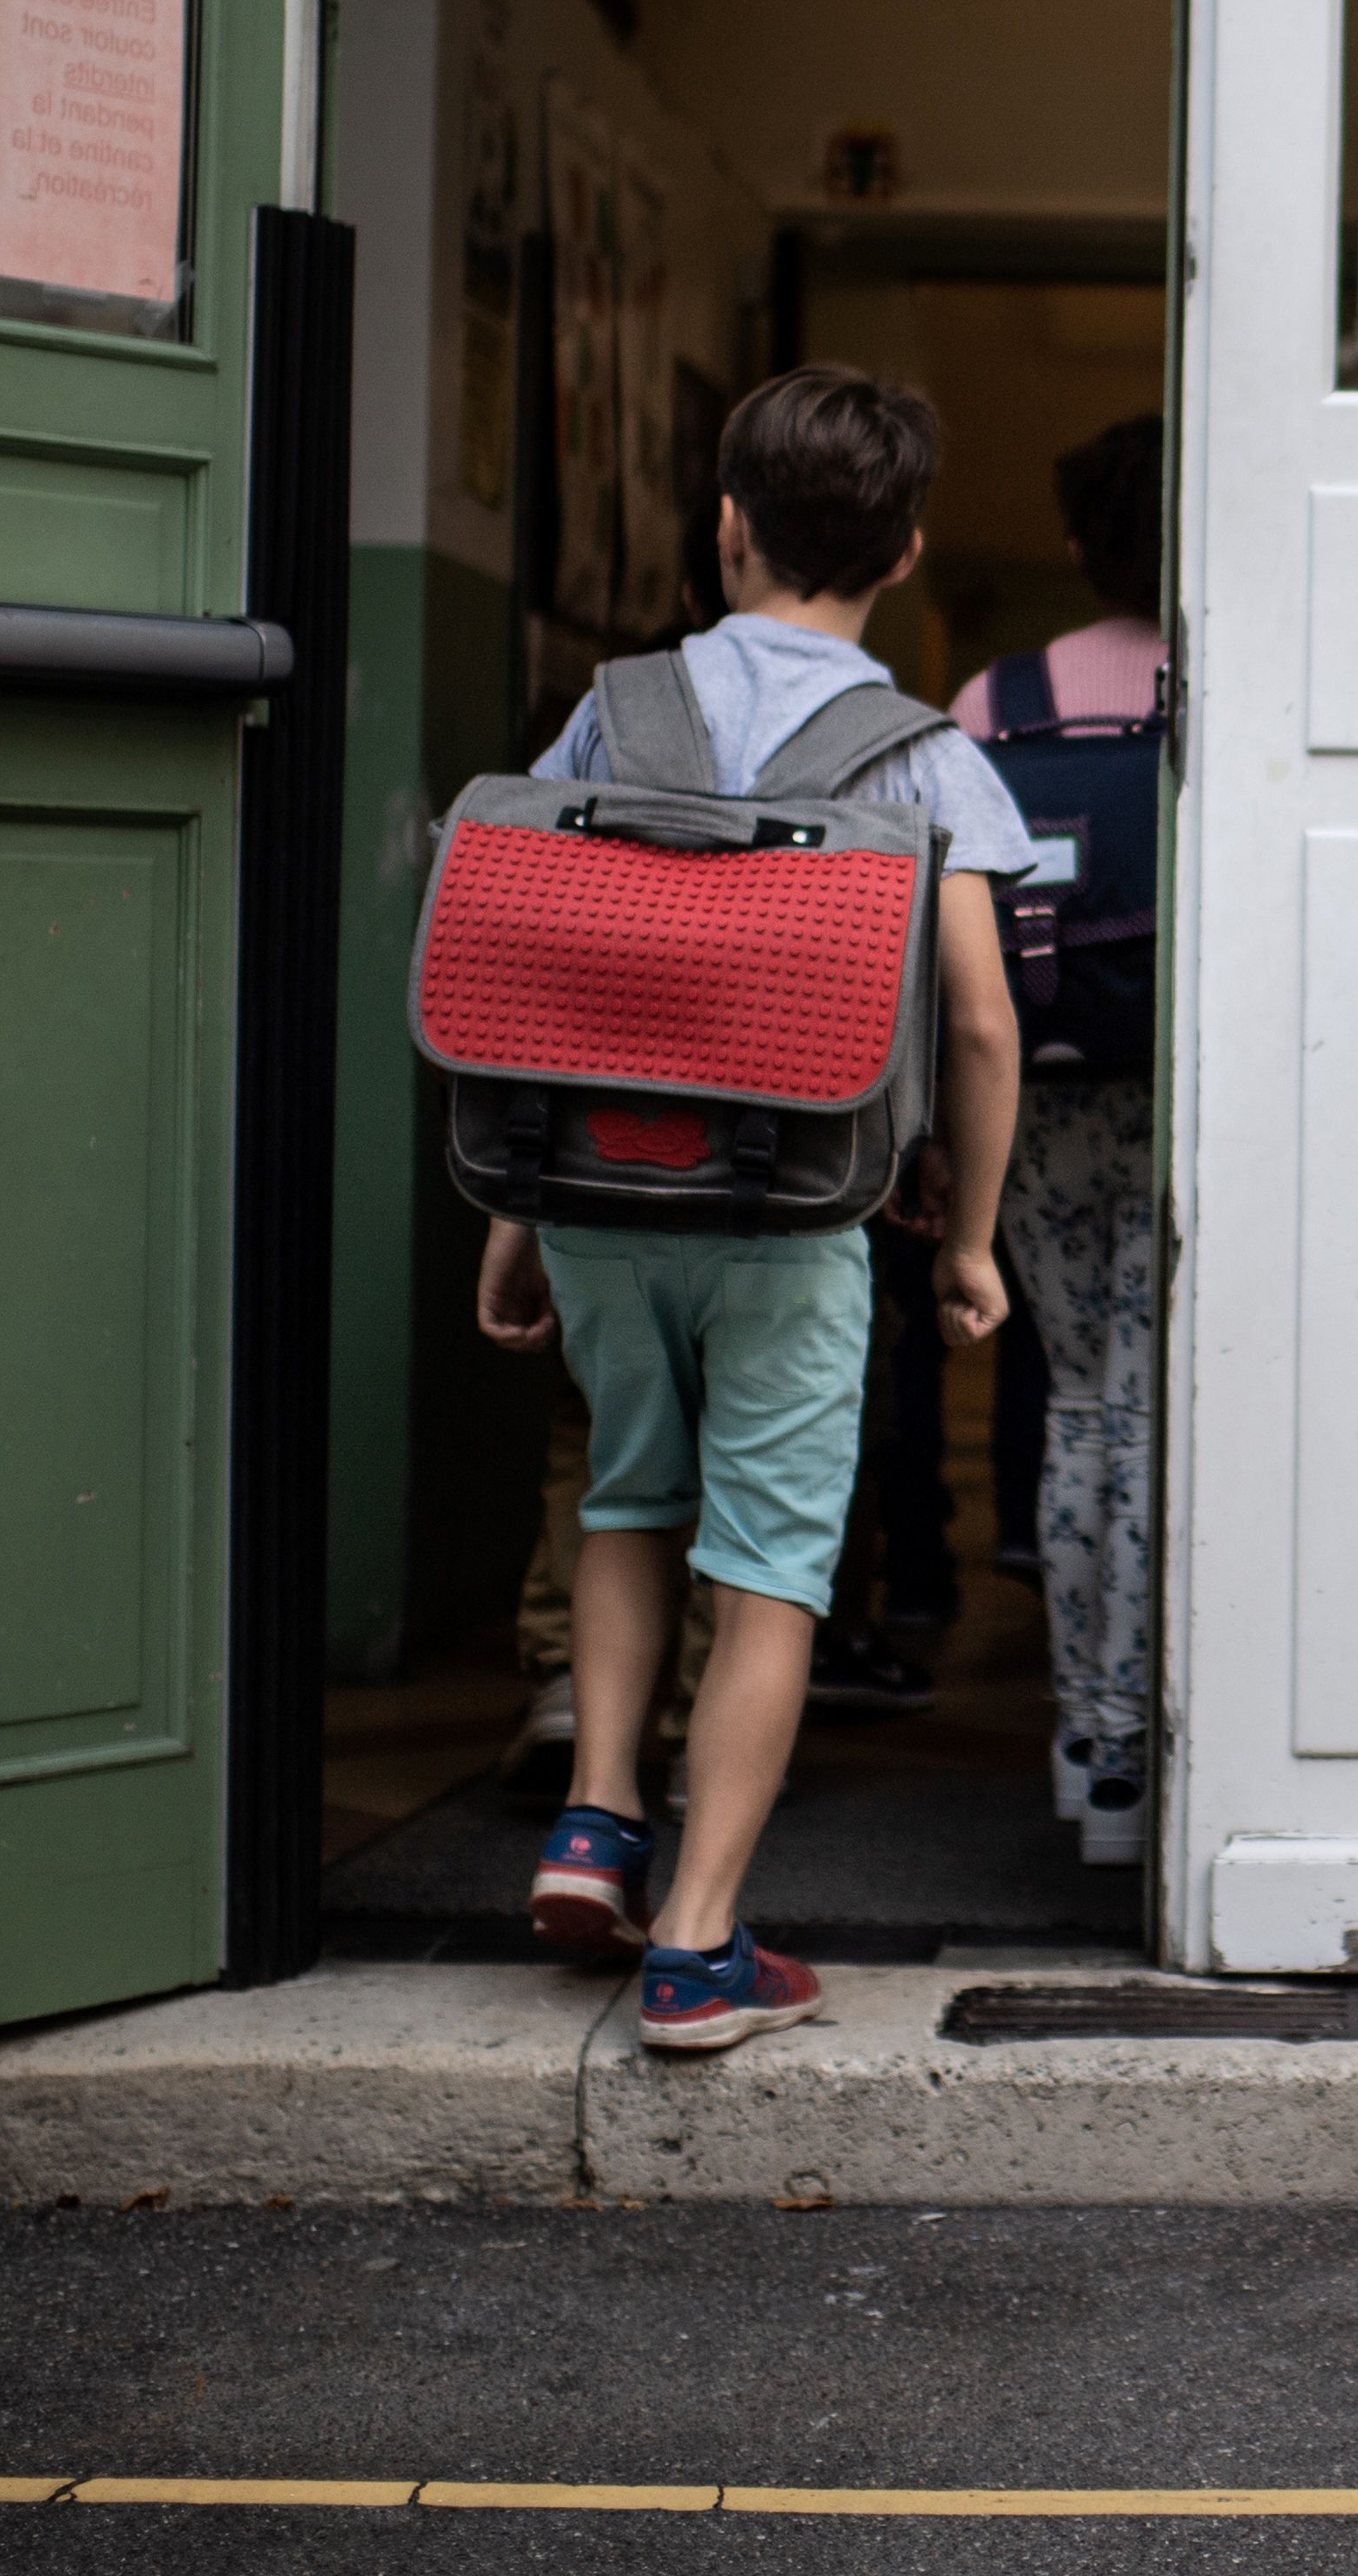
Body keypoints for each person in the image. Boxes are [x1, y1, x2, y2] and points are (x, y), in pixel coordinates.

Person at [472, 366, 1031, 2049]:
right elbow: (986, 1020)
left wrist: (514, 1208)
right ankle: (702, 1945)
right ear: (911, 553)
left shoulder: (611, 708)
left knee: (629, 1498)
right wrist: (978, 1237)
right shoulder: (922, 757)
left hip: (597, 1194)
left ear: (723, 526)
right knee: (773, 1565)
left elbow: (536, 968)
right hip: (792, 1218)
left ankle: (594, 1816)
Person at [955, 414, 1165, 1868]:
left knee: (1079, 1399)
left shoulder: (993, 700)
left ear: (1082, 542)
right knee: (1166, 1407)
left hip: (1034, 1097)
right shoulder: (1225, 683)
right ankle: (1160, 1756)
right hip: (1182, 1095)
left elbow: (942, 934)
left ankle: (1085, 1748)